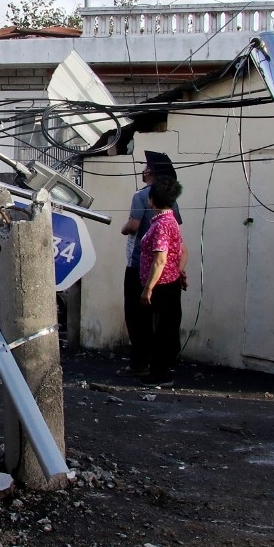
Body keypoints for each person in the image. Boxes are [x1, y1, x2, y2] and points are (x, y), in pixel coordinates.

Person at [118, 151, 184, 376]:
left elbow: (134, 226)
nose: (143, 169)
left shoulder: (142, 196)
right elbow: (180, 243)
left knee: (137, 316)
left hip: (141, 266)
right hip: (168, 272)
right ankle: (158, 364)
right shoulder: (171, 203)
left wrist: (124, 227)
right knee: (163, 320)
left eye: (146, 166)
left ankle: (141, 363)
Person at [138, 176, 188, 387]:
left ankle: (160, 373)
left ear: (152, 200)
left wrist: (148, 289)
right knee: (166, 328)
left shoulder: (161, 225)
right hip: (171, 281)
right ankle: (161, 370)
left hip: (161, 286)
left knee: (161, 330)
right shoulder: (171, 221)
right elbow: (182, 251)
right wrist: (180, 272)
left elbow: (160, 260)